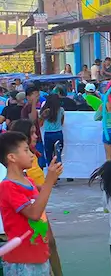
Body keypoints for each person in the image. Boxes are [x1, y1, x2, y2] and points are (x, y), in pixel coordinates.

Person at [0, 131, 63, 276]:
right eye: (26, 150)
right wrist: (49, 180)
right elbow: (34, 213)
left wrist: (50, 180)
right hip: (22, 260)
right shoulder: (8, 186)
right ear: (12, 157)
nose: (32, 155)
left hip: (39, 255)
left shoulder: (29, 182)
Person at [40, 95, 65, 165]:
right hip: (58, 133)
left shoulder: (45, 111)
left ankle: (50, 170)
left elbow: (40, 124)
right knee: (58, 155)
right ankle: (58, 171)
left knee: (48, 155)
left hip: (48, 134)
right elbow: (62, 122)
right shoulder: (61, 110)